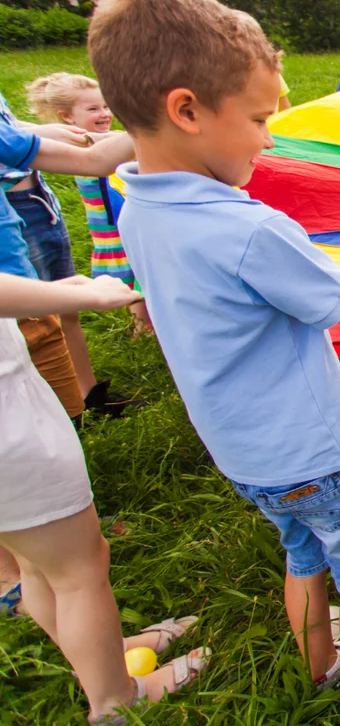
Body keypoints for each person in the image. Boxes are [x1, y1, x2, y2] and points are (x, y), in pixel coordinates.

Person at [92, 0, 340, 723]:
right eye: (259, 118)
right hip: (321, 448)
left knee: (303, 555)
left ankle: (317, 666)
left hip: (248, 456)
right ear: (187, 110)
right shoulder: (251, 229)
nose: (268, 136)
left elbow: (307, 274)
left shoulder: (138, 204)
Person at [0, 273, 206, 723]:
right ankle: (117, 699)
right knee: (78, 572)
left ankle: (101, 658)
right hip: (8, 424)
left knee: (37, 563)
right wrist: (85, 296)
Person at [1, 91, 136, 423]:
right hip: (13, 252)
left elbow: (10, 133)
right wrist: (155, 124)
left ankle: (83, 398)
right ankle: (64, 420)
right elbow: (94, 161)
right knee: (36, 334)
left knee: (59, 318)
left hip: (36, 207)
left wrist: (35, 132)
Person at [26, 73, 152, 336]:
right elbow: (108, 148)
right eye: (93, 108)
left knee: (138, 275)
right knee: (134, 277)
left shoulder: (96, 140)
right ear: (66, 117)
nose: (105, 113)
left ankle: (143, 325)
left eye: (106, 106)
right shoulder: (81, 143)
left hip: (116, 222)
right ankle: (140, 328)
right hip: (112, 227)